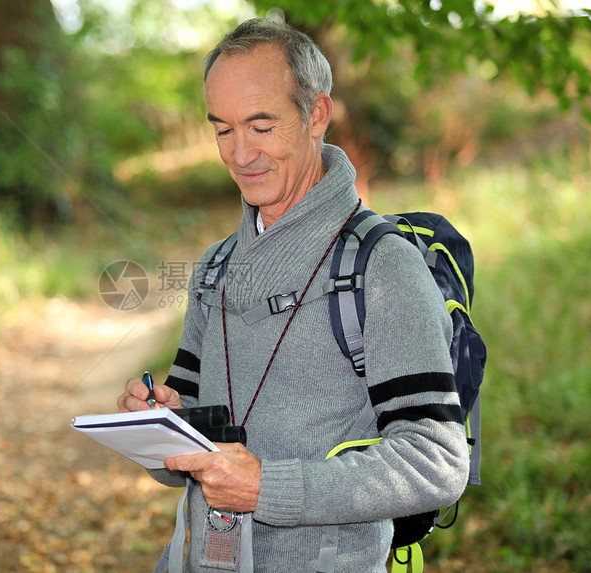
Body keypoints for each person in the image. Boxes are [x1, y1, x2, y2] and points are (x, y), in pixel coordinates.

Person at [116, 17, 469, 573]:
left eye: (261, 126)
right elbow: (183, 454)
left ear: (316, 116)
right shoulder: (215, 268)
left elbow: (437, 462)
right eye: (222, 129)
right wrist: (157, 423)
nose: (239, 154)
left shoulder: (381, 265)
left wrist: (266, 487)